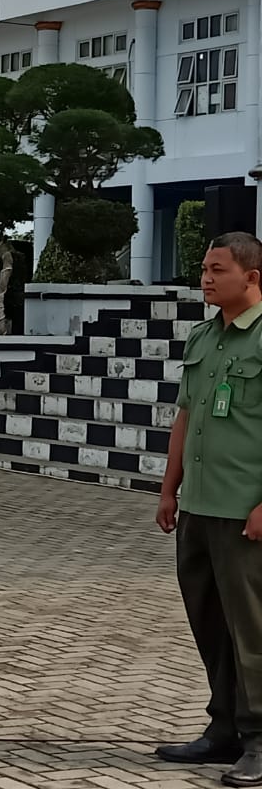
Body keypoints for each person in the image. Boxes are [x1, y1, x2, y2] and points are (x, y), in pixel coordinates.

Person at [155, 232, 262, 787]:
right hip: (199, 507)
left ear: (252, 277)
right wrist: (170, 490)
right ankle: (224, 730)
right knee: (211, 625)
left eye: (217, 269)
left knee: (254, 630)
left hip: (246, 512)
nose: (205, 277)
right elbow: (185, 418)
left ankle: (260, 740)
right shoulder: (202, 337)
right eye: (203, 268)